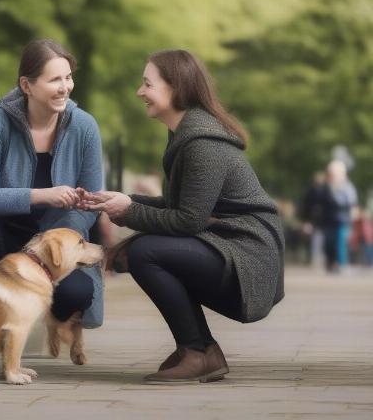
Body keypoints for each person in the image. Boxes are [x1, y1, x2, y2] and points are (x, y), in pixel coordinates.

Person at [78, 49, 284, 383]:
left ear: (175, 87)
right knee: (146, 249)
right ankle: (203, 351)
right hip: (232, 247)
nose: (139, 92)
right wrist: (126, 200)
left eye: (147, 84)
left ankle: (196, 350)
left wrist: (129, 211)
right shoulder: (186, 135)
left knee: (146, 252)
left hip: (249, 258)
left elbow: (188, 221)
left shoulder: (202, 143)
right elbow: (181, 206)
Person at [0, 39, 104, 329]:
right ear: (26, 85)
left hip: (54, 243)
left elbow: (92, 202)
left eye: (68, 77)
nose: (65, 87)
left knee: (78, 293)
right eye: (54, 79)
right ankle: (1, 306)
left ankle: (31, 309)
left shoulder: (84, 127)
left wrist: (70, 220)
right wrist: (43, 195)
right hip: (0, 234)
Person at [319, 160, 358, 272]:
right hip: (328, 220)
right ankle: (330, 263)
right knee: (329, 243)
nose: (332, 176)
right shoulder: (326, 187)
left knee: (340, 242)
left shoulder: (347, 187)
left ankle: (341, 264)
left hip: (342, 220)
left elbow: (351, 203)